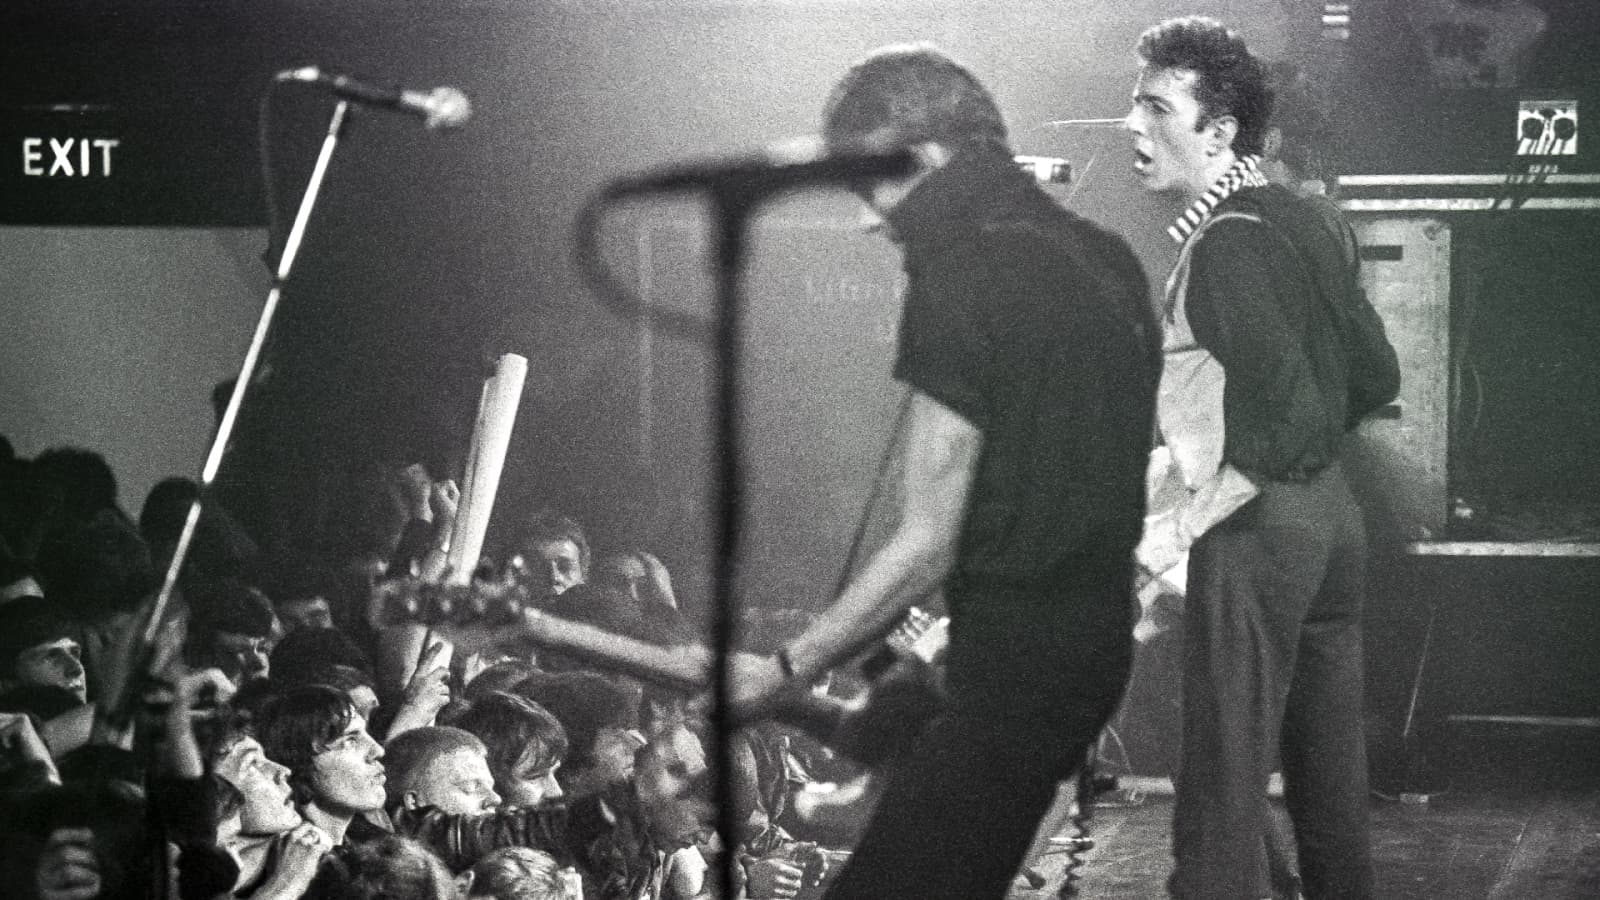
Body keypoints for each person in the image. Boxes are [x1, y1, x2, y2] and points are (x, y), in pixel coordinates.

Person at [729, 43, 1161, 900]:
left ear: (924, 159)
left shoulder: (959, 273)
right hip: (1091, 650)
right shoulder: (1110, 259)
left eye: (868, 187)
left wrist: (785, 669)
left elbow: (931, 539)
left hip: (1012, 669)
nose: (864, 219)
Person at [1123, 17, 1398, 900]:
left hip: (1260, 525)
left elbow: (1282, 415)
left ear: (1221, 131)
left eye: (1156, 108)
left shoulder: (1227, 242)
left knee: (1223, 774)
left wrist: (1182, 526)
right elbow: (1375, 375)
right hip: (1333, 524)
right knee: (1329, 771)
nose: (1133, 127)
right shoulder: (1305, 221)